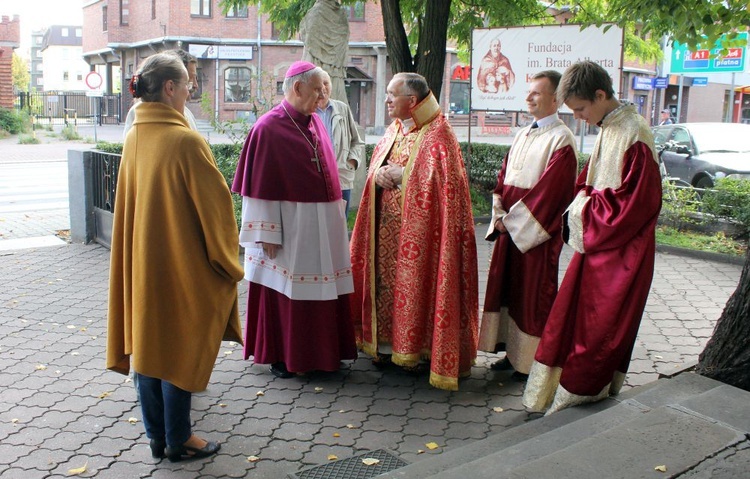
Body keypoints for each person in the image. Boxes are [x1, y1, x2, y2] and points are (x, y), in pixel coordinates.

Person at [107, 52, 244, 462]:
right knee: (181, 345)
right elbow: (216, 210)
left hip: (145, 261)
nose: (190, 91)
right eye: (186, 84)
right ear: (169, 88)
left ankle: (158, 436)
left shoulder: (135, 135)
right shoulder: (184, 139)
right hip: (181, 262)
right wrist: (228, 263)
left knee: (149, 345)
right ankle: (180, 438)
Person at [522, 61, 662, 415]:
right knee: (574, 320)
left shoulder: (634, 133)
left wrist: (583, 210)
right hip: (598, 246)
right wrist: (583, 202)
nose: (580, 117)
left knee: (601, 327)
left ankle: (584, 390)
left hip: (622, 254)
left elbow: (636, 204)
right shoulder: (609, 126)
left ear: (601, 95)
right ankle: (567, 388)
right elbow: (590, 181)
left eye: (581, 109)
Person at [349, 72, 479, 391]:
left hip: (422, 239)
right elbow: (375, 168)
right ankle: (384, 345)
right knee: (385, 286)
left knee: (418, 286)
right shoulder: (394, 129)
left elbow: (446, 186)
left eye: (393, 95)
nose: (387, 100)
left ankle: (416, 351)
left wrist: (404, 174)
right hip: (385, 234)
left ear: (413, 100)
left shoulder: (440, 133)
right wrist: (377, 174)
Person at [231, 61, 357, 379]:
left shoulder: (314, 121)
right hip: (288, 230)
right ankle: (284, 355)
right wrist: (265, 233)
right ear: (298, 88)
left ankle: (324, 353)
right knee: (286, 293)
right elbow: (257, 188)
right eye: (317, 89)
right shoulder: (267, 128)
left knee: (324, 291)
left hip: (322, 227)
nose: (323, 95)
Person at [478, 70, 578, 380]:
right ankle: (511, 353)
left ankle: (532, 361)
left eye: (536, 92)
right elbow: (503, 177)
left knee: (533, 296)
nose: (528, 97)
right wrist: (498, 212)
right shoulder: (523, 133)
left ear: (556, 98)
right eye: (529, 91)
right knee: (508, 291)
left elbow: (552, 193)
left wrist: (512, 222)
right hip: (512, 228)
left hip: (535, 236)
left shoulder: (562, 140)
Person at [315, 70, 364, 216]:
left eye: (326, 83)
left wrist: (351, 162)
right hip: (316, 178)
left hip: (341, 177)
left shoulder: (342, 108)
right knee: (316, 225)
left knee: (339, 224)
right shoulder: (306, 111)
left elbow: (356, 141)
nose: (324, 87)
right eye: (319, 84)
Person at [123, 49, 199, 139]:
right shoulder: (139, 114)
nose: (195, 85)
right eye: (189, 80)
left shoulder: (187, 113)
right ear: (170, 86)